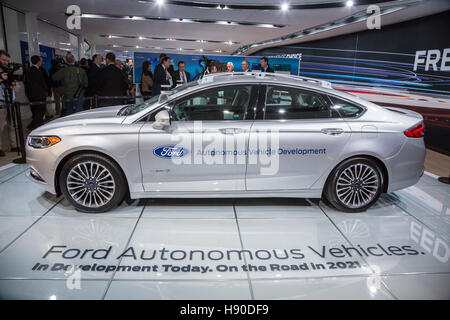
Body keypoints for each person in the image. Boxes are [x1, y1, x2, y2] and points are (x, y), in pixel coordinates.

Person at [0, 50, 19, 157]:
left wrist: (13, 81)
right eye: (3, 60)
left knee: (14, 124)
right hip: (1, 101)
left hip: (11, 100)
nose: (6, 62)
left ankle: (14, 145)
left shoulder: (9, 70)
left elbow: (16, 89)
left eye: (7, 60)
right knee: (0, 126)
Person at [25, 55, 48, 130]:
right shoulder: (38, 71)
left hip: (31, 94)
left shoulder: (28, 70)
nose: (41, 62)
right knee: (42, 110)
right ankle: (31, 126)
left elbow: (26, 83)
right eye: (41, 61)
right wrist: (46, 90)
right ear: (38, 62)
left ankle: (40, 124)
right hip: (39, 94)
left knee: (35, 110)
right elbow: (42, 82)